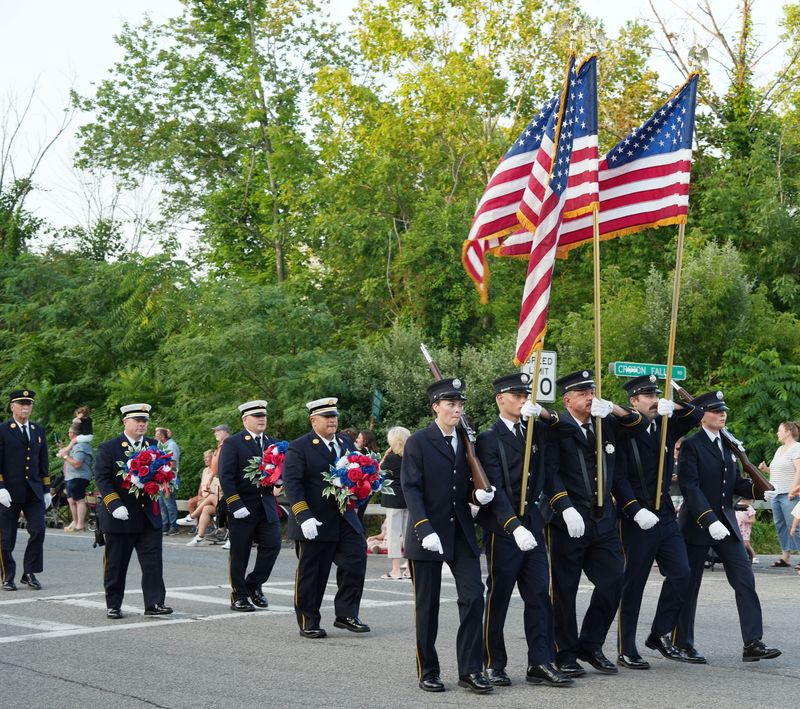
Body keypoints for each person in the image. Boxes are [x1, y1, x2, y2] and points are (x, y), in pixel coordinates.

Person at [543, 370, 647, 677]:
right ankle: (565, 652)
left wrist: (612, 407)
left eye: (592, 391)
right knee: (565, 589)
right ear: (567, 399)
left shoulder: (606, 423)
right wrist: (564, 506)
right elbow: (550, 473)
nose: (590, 397)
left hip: (602, 520)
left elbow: (640, 424)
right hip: (569, 522)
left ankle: (590, 643)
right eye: (583, 392)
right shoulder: (557, 427)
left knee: (614, 581)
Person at [474, 373, 574, 688]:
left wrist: (543, 413)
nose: (522, 400)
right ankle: (493, 663)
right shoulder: (488, 438)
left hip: (533, 523)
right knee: (499, 597)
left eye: (524, 395)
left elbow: (570, 429)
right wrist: (513, 526)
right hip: (504, 529)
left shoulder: (535, 429)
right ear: (500, 399)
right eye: (516, 395)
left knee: (539, 597)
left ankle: (540, 662)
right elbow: (496, 488)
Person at [401, 378, 496, 694]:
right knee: (427, 608)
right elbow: (411, 488)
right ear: (435, 407)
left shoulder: (465, 440)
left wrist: (476, 495)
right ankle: (428, 670)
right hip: (428, 533)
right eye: (450, 404)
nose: (456, 409)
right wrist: (424, 527)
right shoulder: (419, 441)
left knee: (472, 598)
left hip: (461, 533)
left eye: (459, 404)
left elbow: (463, 483)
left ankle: (470, 669)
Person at [674, 390, 781, 663]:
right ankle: (683, 643)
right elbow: (690, 487)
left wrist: (759, 491)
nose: (722, 414)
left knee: (745, 579)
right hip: (698, 524)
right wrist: (708, 520)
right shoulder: (692, 445)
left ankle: (753, 642)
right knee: (690, 586)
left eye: (723, 411)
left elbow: (733, 484)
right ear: (701, 417)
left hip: (727, 523)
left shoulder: (727, 445)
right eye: (714, 410)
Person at [613, 374, 703, 669]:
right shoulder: (623, 429)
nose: (653, 400)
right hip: (637, 517)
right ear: (633, 401)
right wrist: (634, 509)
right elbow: (619, 476)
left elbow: (698, 413)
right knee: (633, 584)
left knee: (682, 573)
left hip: (664, 514)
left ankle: (659, 633)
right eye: (647, 396)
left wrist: (674, 406)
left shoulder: (666, 423)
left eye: (655, 395)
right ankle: (627, 648)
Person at [284, 397, 369, 639]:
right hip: (314, 520)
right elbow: (292, 484)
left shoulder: (345, 442)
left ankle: (346, 613)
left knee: (354, 561)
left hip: (344, 518)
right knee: (313, 574)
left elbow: (358, 472)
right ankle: (308, 619)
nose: (332, 421)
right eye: (327, 417)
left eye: (334, 416)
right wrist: (303, 515)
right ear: (314, 420)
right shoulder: (299, 447)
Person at [94, 403, 172, 619]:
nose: (141, 424)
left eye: (144, 420)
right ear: (125, 422)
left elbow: (165, 474)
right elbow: (102, 479)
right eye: (137, 420)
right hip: (121, 515)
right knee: (116, 563)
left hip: (148, 515)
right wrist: (114, 504)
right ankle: (114, 604)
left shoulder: (154, 446)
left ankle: (154, 603)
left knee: (153, 561)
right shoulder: (109, 448)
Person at [218, 400, 282, 611]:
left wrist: (280, 480)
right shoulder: (233, 443)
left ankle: (254, 583)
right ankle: (239, 594)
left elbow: (278, 473)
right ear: (245, 419)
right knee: (240, 551)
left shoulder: (273, 443)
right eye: (256, 416)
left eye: (263, 415)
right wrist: (235, 503)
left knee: (273, 545)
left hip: (266, 504)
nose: (262, 419)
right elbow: (225, 476)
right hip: (242, 504)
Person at [0, 389, 51, 591]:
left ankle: (29, 572)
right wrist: (1, 487)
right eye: (21, 403)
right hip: (9, 492)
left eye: (28, 404)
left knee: (38, 530)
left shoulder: (38, 430)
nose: (25, 407)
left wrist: (47, 490)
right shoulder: (3, 430)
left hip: (33, 491)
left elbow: (42, 461)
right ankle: (7, 575)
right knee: (6, 536)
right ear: (12, 406)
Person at [758, 421, 800, 569]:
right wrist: (766, 469)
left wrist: (793, 490)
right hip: (776, 494)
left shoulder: (797, 448)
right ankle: (785, 558)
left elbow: (799, 470)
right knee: (780, 525)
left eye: (779, 430)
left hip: (790, 494)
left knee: (795, 525)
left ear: (788, 432)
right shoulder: (780, 449)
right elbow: (781, 471)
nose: (777, 433)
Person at [379, 426, 410, 580]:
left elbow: (378, 472)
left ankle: (396, 570)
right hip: (409, 498)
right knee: (409, 533)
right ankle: (410, 569)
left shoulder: (390, 459)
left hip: (393, 499)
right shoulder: (412, 456)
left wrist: (384, 456)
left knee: (393, 534)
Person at [56, 420, 95, 532]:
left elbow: (77, 463)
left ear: (74, 434)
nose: (68, 434)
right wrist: (63, 450)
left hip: (79, 476)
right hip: (70, 476)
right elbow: (67, 457)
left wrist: (64, 456)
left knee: (79, 500)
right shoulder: (74, 445)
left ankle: (80, 524)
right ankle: (75, 521)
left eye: (69, 432)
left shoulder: (81, 446)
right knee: (71, 501)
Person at [182, 450, 221, 545]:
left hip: (224, 502)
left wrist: (211, 493)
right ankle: (199, 537)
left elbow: (222, 492)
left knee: (209, 498)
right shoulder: (212, 474)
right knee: (206, 508)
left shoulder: (223, 474)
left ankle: (192, 517)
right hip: (216, 502)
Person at [155, 427, 180, 535]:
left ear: (162, 436)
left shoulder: (171, 445)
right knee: (161, 503)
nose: (155, 436)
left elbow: (173, 463)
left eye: (157, 434)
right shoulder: (161, 445)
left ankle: (173, 526)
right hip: (160, 478)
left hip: (169, 478)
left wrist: (163, 471)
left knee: (169, 502)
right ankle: (165, 524)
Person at [210, 424, 231, 550]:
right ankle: (222, 527)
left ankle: (227, 533)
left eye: (218, 431)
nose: (215, 433)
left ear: (225, 432)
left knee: (226, 507)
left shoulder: (229, 444)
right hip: (219, 480)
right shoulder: (221, 446)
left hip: (226, 480)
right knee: (223, 506)